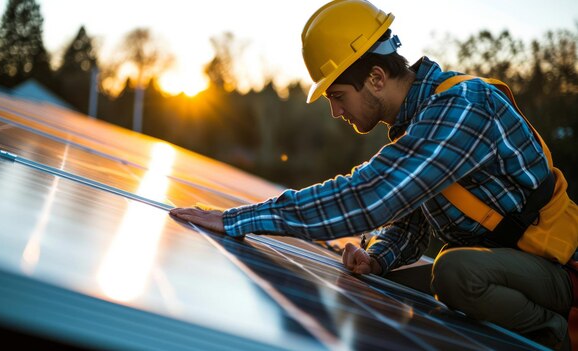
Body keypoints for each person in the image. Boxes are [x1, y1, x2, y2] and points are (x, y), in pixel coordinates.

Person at [170, 0, 576, 349]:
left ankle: (553, 336)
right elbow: (410, 224)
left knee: (452, 273)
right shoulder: (419, 125)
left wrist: (236, 219)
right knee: (407, 295)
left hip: (561, 275)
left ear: (376, 79)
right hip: (512, 272)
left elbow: (368, 196)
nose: (336, 111)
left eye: (338, 96)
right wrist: (376, 258)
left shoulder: (463, 108)